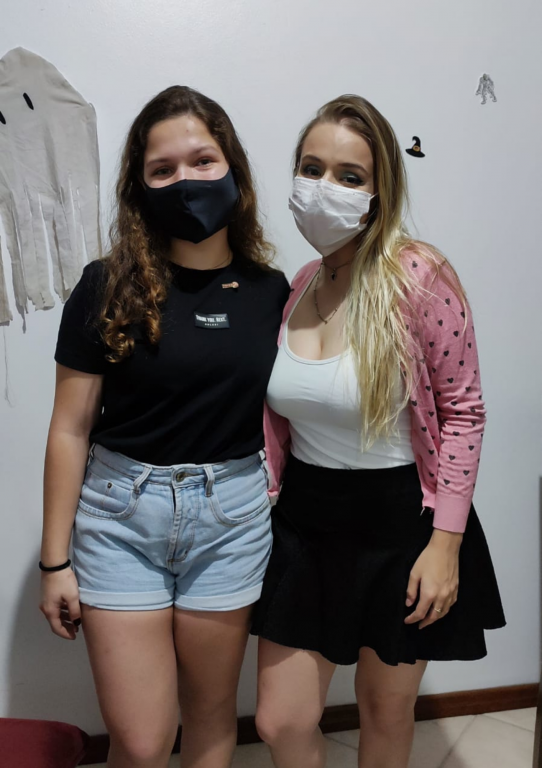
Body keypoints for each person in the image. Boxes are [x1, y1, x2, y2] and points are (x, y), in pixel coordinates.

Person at [39, 85, 290, 768]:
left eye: (203, 160)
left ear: (233, 168)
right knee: (143, 741)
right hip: (120, 519)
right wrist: (54, 561)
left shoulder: (273, 292)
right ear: (140, 186)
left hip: (233, 518)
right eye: (163, 169)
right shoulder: (105, 285)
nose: (186, 180)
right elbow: (69, 429)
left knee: (211, 717)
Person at [252, 95, 505, 768]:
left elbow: (464, 411)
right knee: (280, 721)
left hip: (400, 523)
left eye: (349, 175)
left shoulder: (418, 277)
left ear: (379, 189)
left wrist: (445, 544)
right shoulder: (301, 283)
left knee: (385, 711)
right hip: (305, 522)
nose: (324, 187)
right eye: (311, 168)